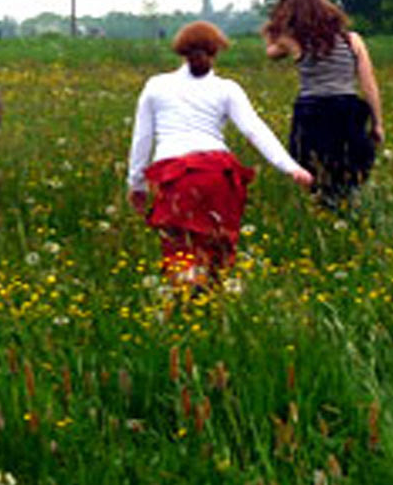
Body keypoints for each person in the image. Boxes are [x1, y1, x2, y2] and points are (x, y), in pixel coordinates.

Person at [126, 21, 313, 287]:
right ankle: (214, 310)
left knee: (180, 251)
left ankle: (184, 310)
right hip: (219, 175)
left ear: (181, 51)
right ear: (216, 52)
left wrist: (136, 184)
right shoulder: (227, 89)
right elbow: (255, 131)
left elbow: (142, 139)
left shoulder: (155, 86)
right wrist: (291, 167)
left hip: (174, 177)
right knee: (217, 251)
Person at [262, 0, 384, 205]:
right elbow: (369, 84)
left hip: (313, 112)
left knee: (314, 172)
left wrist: (274, 26)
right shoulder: (352, 39)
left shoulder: (292, 41)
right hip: (348, 110)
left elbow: (270, 53)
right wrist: (377, 124)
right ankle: (347, 211)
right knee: (349, 169)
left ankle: (324, 211)